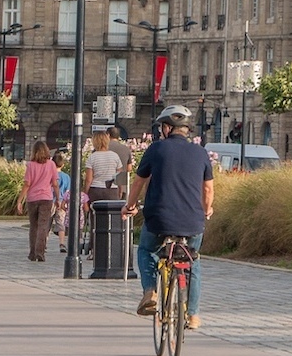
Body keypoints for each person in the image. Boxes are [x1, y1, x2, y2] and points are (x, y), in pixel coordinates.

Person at [123, 104, 213, 331]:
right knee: (194, 261)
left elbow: (139, 182)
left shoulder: (156, 149)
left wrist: (130, 206)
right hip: (193, 222)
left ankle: (151, 291)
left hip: (159, 219)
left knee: (146, 250)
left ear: (166, 127)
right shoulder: (201, 152)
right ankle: (193, 315)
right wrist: (206, 209)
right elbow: (208, 190)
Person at [16, 140, 60, 261]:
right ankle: (40, 252)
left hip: (32, 199)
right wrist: (58, 198)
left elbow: (27, 184)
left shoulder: (30, 165)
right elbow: (55, 184)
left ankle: (32, 253)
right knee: (43, 226)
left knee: (33, 226)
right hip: (46, 198)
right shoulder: (51, 165)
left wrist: (20, 200)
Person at [84, 131, 122, 206]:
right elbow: (119, 177)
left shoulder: (92, 157)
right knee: (112, 214)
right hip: (112, 190)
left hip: (96, 189)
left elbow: (88, 179)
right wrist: (120, 191)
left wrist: (85, 193)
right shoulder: (115, 156)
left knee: (95, 215)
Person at [51, 151, 71, 254]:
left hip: (50, 201)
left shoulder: (50, 175)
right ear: (62, 164)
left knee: (46, 223)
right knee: (61, 224)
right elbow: (68, 191)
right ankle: (62, 243)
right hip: (62, 202)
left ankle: (43, 244)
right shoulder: (66, 177)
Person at [107, 125, 132, 199]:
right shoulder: (126, 149)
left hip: (106, 186)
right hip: (122, 185)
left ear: (108, 135)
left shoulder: (102, 148)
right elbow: (129, 168)